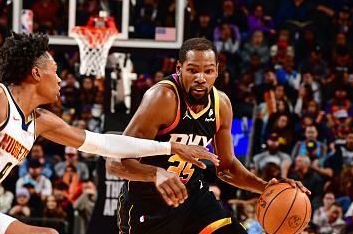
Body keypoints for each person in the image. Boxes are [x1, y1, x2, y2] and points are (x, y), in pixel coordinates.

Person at [0, 32, 218, 234]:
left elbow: (104, 144)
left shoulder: (41, 121)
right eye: (54, 72)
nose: (59, 79)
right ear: (35, 73)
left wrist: (169, 147)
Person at [106, 38, 309, 234]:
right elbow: (114, 162)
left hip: (193, 199)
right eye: (192, 70)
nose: (200, 78)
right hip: (149, 204)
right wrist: (156, 174)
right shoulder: (163, 98)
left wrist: (266, 188)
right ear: (179, 69)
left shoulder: (221, 104)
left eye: (208, 71)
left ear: (217, 72)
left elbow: (226, 168)